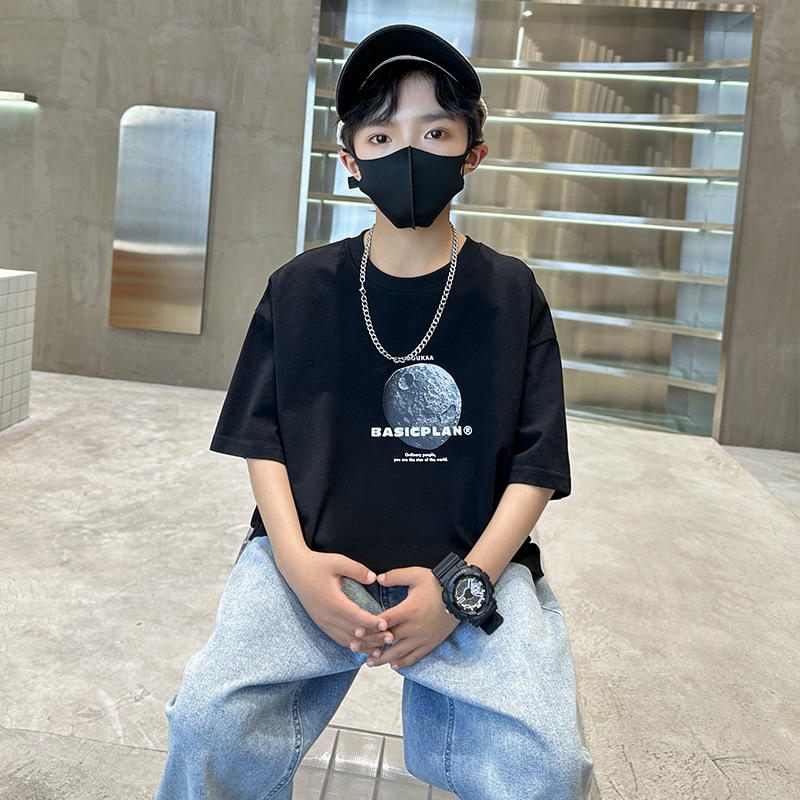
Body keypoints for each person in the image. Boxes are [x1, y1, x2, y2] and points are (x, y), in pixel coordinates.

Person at [156, 24, 595, 800]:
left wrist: (464, 590)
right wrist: (296, 566)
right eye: (383, 136)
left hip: (465, 564)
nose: (409, 153)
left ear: (473, 153)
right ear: (351, 159)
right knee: (207, 726)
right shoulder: (299, 288)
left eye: (435, 132)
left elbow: (535, 466)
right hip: (313, 554)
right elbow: (263, 439)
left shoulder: (510, 293)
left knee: (549, 765)